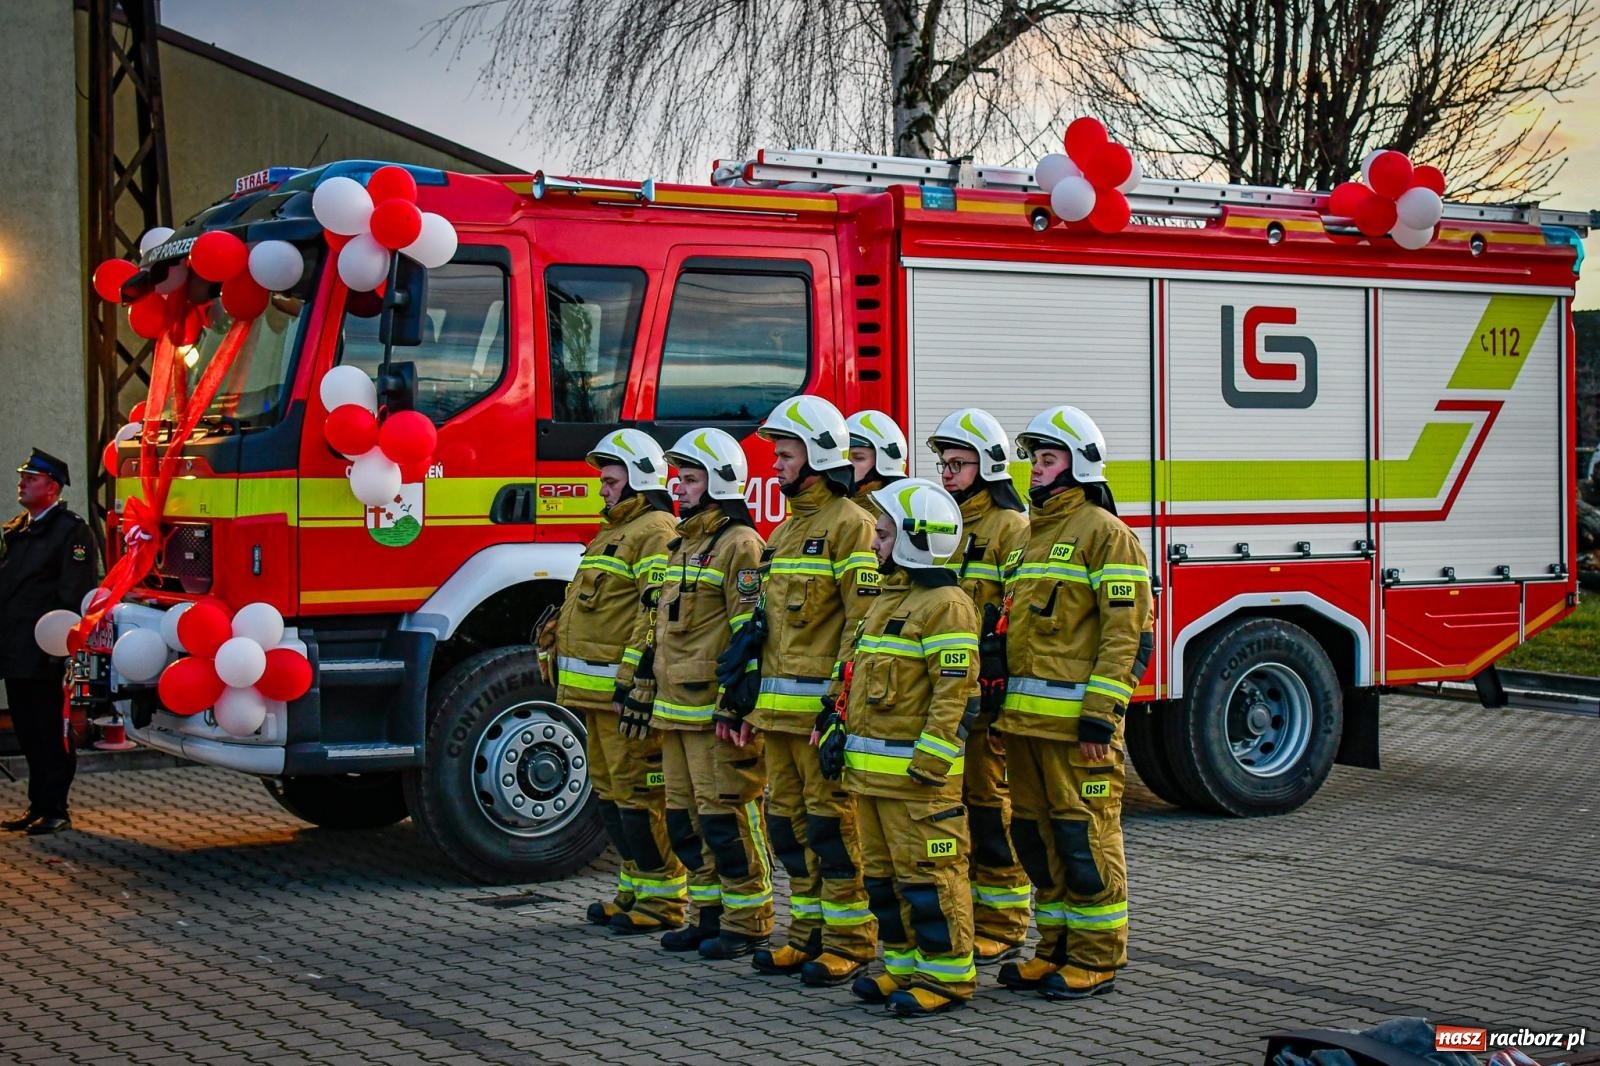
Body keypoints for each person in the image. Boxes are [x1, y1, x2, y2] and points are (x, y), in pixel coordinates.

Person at [716, 395, 879, 987]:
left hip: (816, 719)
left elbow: (863, 625)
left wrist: (839, 705)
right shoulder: (784, 531)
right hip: (776, 718)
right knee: (788, 827)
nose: (776, 464)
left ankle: (849, 940)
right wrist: (744, 698)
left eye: (785, 455)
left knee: (832, 829)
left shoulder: (853, 525)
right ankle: (808, 932)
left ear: (817, 457)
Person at [994, 405, 1153, 1000]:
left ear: (1081, 464)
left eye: (1048, 458)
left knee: (1085, 841)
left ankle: (1096, 957)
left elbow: (1128, 636)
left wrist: (1100, 717)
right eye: (1034, 459)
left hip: (1076, 733)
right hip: (1026, 727)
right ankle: (1054, 948)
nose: (1035, 469)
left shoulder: (1106, 534)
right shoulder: (1031, 535)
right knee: (1040, 844)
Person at [819, 478, 981, 1016]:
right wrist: (834, 726)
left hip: (917, 784)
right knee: (885, 882)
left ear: (916, 539)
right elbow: (854, 677)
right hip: (872, 780)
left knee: (929, 880)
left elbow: (954, 693)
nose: (874, 544)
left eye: (885, 535)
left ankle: (947, 976)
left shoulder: (946, 606)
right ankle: (904, 965)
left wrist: (931, 763)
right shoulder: (889, 599)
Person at [631, 428, 773, 957]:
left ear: (720, 483)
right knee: (686, 822)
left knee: (727, 817)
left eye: (691, 479)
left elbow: (748, 632)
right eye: (679, 478)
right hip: (674, 710)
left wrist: (736, 702)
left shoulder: (741, 545)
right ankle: (706, 914)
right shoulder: (684, 544)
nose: (679, 488)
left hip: (712, 711)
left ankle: (749, 918)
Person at [538, 429, 684, 933]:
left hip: (621, 697)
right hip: (596, 697)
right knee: (612, 796)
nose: (601, 490)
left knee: (640, 797)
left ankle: (663, 899)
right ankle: (634, 888)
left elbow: (654, 612)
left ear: (639, 480)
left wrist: (634, 681)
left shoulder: (656, 530)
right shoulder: (616, 530)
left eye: (610, 481)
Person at [926, 408, 1032, 964]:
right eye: (944, 465)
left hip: (989, 700)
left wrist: (1000, 679)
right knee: (960, 811)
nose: (947, 475)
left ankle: (1006, 923)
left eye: (958, 465)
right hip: (951, 697)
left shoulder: (1010, 529)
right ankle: (969, 917)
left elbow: (1017, 615)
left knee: (992, 812)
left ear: (988, 466)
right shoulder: (948, 524)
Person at [1, 449, 98, 835]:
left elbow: (73, 594)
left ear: (52, 487)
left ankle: (56, 809)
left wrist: (59, 649)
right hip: (15, 648)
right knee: (27, 731)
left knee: (51, 731)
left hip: (46, 653)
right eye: (22, 476)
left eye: (31, 478)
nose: (22, 483)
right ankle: (37, 805)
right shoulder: (17, 529)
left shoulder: (71, 532)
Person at [845, 410, 907, 511]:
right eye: (844, 457)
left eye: (858, 458)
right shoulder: (831, 506)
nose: (847, 464)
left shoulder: (898, 514)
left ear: (885, 461)